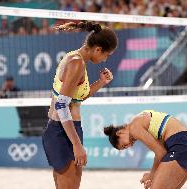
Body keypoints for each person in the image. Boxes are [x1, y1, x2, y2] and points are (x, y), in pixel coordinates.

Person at [42, 21, 118, 189]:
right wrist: (77, 145)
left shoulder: (76, 58)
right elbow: (61, 106)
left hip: (64, 130)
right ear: (98, 49)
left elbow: (74, 99)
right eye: (107, 55)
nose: (106, 59)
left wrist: (101, 82)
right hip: (63, 132)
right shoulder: (76, 63)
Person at [104, 110, 187, 189]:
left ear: (119, 133)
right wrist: (154, 177)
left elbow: (161, 153)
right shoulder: (142, 119)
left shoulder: (134, 127)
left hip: (181, 144)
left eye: (124, 145)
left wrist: (151, 175)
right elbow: (161, 152)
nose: (129, 146)